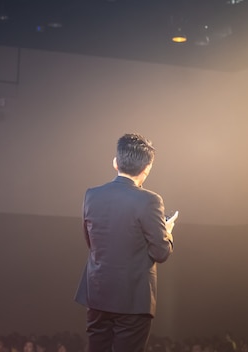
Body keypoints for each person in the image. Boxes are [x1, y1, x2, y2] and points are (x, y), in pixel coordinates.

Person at [75, 133, 178, 352]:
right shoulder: (150, 200)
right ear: (147, 168)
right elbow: (161, 253)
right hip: (133, 298)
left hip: (97, 293)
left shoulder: (91, 195)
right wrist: (167, 232)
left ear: (116, 162)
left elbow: (90, 242)